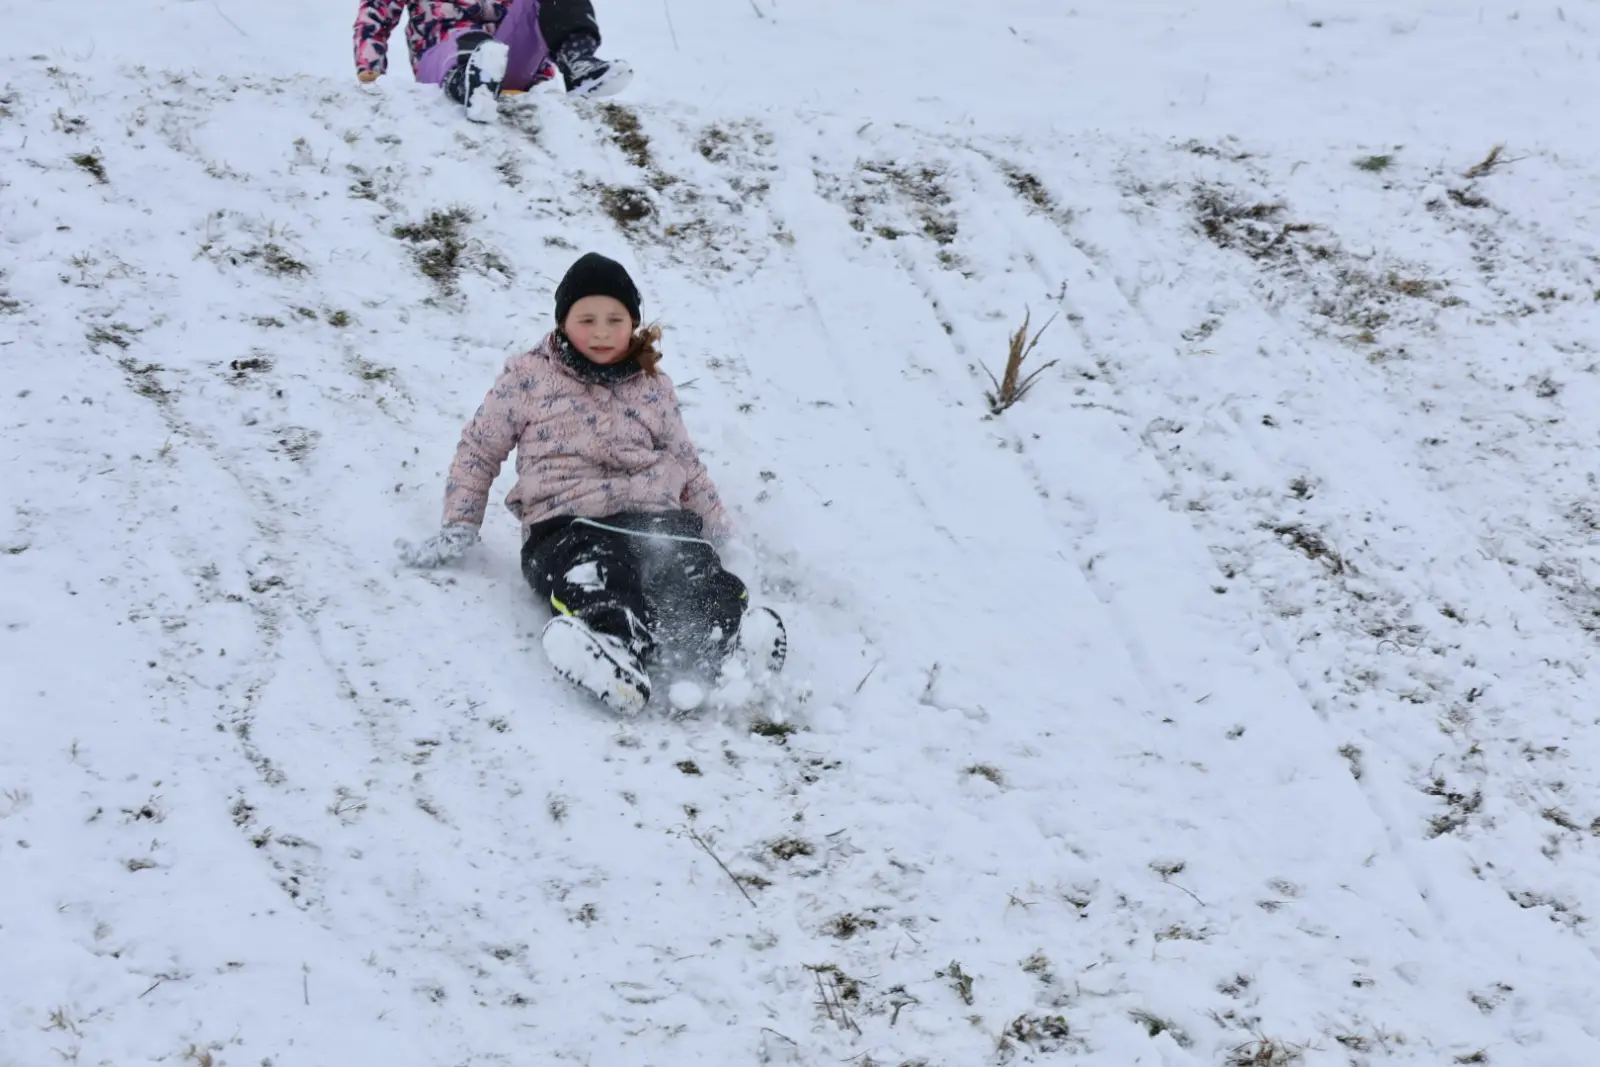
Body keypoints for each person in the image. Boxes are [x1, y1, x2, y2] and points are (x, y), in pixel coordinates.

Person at [397, 253, 786, 714]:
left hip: (656, 520)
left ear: (634, 324)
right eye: (586, 319)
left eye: (614, 319)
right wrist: (460, 522)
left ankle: (728, 646)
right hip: (567, 526)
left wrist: (718, 529)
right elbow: (480, 447)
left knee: (692, 570)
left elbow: (686, 462)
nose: (601, 332)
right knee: (599, 578)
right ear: (562, 323)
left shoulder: (653, 385)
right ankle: (613, 653)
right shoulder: (528, 378)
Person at [354, 1, 632, 121]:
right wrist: (372, 71)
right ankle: (470, 85)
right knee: (472, 42)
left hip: (511, 59)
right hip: (441, 54)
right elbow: (375, 16)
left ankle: (578, 63)